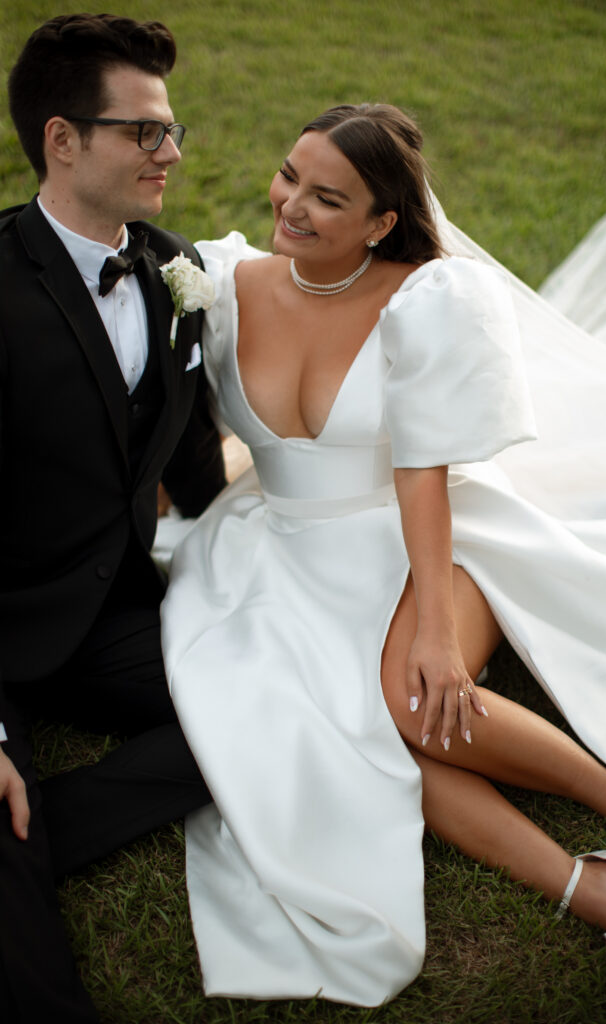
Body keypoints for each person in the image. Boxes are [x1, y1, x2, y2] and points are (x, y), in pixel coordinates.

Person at [161, 103, 606, 1006]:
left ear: (381, 223)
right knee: (358, 738)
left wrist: (437, 632)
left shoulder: (424, 301)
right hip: (275, 550)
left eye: (328, 198)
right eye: (291, 175)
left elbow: (420, 478)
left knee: (409, 699)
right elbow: (173, 432)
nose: (290, 204)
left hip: (428, 534)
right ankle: (603, 896)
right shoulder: (215, 282)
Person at [0, 14, 226, 1022]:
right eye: (143, 132)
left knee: (261, 713)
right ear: (62, 140)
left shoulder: (176, 274)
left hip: (109, 612)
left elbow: (190, 457)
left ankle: (33, 831)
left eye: (168, 130)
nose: (169, 151)